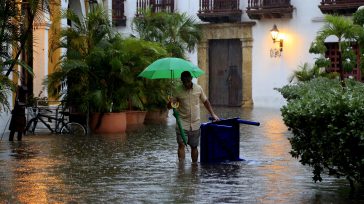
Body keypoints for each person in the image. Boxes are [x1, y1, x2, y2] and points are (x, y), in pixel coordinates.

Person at [169, 71, 219, 163]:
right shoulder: (177, 90)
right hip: (182, 122)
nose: (187, 84)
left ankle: (194, 166)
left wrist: (213, 114)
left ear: (191, 79)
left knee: (194, 146)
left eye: (188, 82)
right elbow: (170, 106)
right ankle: (181, 167)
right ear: (182, 81)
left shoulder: (198, 88)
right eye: (184, 82)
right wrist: (170, 102)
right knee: (181, 145)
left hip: (195, 123)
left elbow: (205, 101)